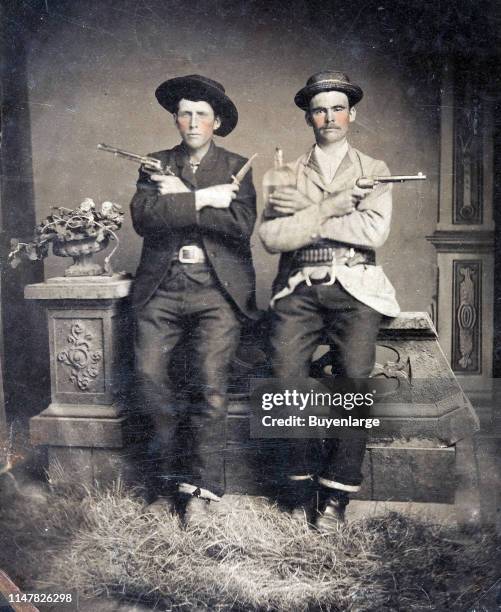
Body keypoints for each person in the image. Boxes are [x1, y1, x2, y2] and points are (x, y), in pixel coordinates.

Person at [259, 70, 400, 528]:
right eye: (319, 109)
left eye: (338, 107)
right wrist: (335, 208)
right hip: (298, 288)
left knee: (355, 382)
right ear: (308, 118)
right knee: (283, 381)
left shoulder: (374, 169)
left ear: (351, 114)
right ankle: (301, 486)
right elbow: (273, 237)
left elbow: (373, 230)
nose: (329, 116)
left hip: (356, 286)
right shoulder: (286, 172)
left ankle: (337, 491)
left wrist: (308, 216)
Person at [130, 74, 258, 521]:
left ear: (217, 122)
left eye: (202, 114)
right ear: (176, 118)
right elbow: (145, 219)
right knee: (149, 380)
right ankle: (166, 487)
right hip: (161, 289)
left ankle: (201, 491)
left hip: (216, 290)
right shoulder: (155, 164)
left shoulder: (239, 165)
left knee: (209, 385)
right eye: (185, 113)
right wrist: (204, 197)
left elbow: (241, 227)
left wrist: (182, 201)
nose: (192, 121)